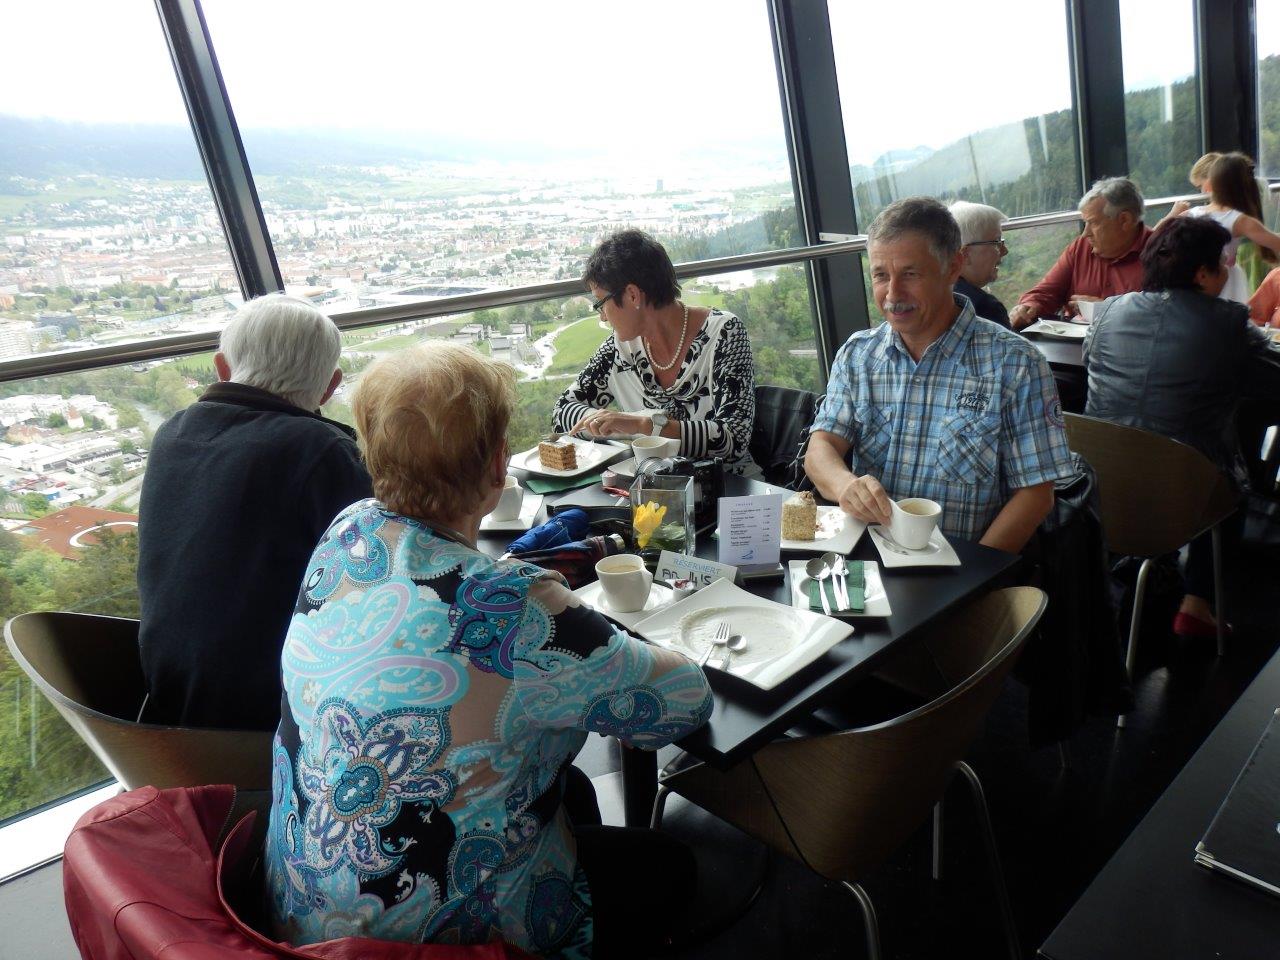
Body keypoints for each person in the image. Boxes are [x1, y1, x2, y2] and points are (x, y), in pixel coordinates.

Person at [264, 341, 713, 959]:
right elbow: (684, 702)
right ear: (500, 465)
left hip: (296, 917)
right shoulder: (516, 609)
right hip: (437, 947)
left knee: (573, 792)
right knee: (667, 866)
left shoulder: (348, 533)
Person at [137, 294, 371, 731]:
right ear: (330, 386)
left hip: (167, 708)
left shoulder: (172, 434)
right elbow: (382, 570)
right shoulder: (320, 452)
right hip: (267, 717)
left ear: (221, 367)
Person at [804, 197, 1075, 554]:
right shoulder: (858, 355)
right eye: (881, 275)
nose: (893, 294)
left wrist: (973, 575)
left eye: (911, 274)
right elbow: (821, 447)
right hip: (869, 563)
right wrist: (845, 486)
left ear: (953, 267)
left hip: (968, 562)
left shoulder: (1016, 363)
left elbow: (1036, 494)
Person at [1084, 216, 1280, 638]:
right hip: (1183, 495)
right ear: (1202, 273)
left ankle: (1154, 571)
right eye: (1222, 261)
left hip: (1100, 489)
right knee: (1231, 485)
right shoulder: (1228, 323)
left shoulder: (1109, 311)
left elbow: (1090, 360)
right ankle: (1197, 604)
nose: (1227, 268)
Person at [553, 229, 757, 473]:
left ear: (632, 295)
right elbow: (562, 412)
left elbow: (734, 438)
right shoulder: (618, 350)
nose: (602, 317)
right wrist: (610, 423)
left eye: (600, 303)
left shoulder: (725, 332)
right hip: (652, 487)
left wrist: (642, 424)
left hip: (729, 488)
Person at [1009, 178, 1153, 329]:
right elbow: (1047, 291)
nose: (1085, 233)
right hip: (1074, 340)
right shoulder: (1081, 247)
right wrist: (1028, 306)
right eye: (1085, 223)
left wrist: (1104, 309)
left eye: (1094, 223)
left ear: (1125, 220)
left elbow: (1161, 317)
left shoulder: (1161, 255)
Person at [1168, 152, 1280, 303]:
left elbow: (1157, 236)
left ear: (1211, 184)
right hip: (1228, 283)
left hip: (1195, 280)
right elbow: (1275, 242)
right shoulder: (1239, 220)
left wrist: (1172, 214)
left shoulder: (1191, 214)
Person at [950, 201, 1011, 328]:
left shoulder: (936, 295)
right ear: (965, 254)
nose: (1005, 251)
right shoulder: (986, 308)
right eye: (996, 243)